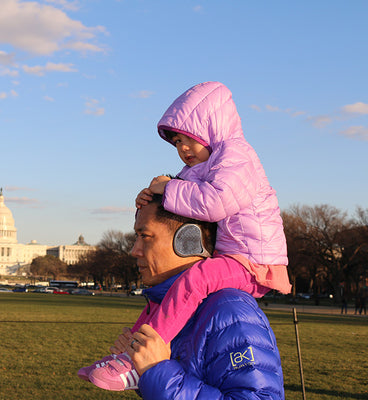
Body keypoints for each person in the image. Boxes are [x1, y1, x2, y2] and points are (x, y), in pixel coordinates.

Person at [81, 81, 291, 391]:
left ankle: (147, 352)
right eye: (177, 142)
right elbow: (175, 203)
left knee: (194, 280)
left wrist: (167, 188)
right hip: (234, 254)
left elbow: (214, 202)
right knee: (166, 295)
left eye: (188, 139)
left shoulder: (237, 155)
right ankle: (129, 357)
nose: (182, 149)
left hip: (253, 260)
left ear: (212, 127)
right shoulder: (203, 166)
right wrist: (149, 194)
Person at [99, 195, 285, 398]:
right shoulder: (170, 310)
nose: (134, 250)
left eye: (145, 236)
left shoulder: (229, 311)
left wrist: (158, 370)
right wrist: (140, 369)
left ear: (189, 241)